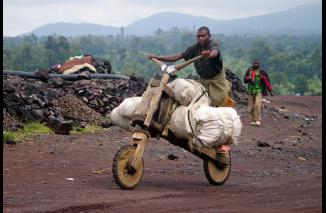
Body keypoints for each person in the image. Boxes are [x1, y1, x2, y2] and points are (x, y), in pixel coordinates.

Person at [147, 26, 232, 160]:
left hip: (217, 82)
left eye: (203, 36)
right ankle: (199, 132)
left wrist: (208, 54)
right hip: (202, 81)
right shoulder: (194, 48)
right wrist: (157, 57)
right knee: (198, 105)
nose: (200, 38)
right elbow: (179, 56)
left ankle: (223, 142)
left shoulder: (213, 45)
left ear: (209, 36)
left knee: (218, 106)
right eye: (198, 36)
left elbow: (215, 52)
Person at [243, 59, 273, 126]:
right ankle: (253, 120)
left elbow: (267, 81)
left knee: (257, 105)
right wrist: (248, 79)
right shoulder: (249, 70)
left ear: (259, 64)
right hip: (250, 90)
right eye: (255, 63)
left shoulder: (262, 72)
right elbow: (244, 79)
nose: (256, 64)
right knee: (251, 106)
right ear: (253, 64)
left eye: (257, 63)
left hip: (259, 90)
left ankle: (258, 120)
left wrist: (270, 90)